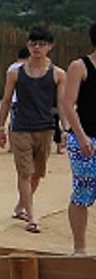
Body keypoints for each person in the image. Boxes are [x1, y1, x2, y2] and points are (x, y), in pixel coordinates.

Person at [0, 27, 63, 236]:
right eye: (33, 43)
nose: (37, 47)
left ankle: (20, 206)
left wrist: (65, 131)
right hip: (20, 127)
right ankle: (32, 216)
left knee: (37, 175)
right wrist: (0, 127)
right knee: (25, 173)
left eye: (42, 44)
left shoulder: (58, 74)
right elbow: (6, 100)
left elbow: (62, 105)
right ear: (28, 46)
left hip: (45, 128)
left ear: (50, 47)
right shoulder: (15, 73)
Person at [58, 22, 95, 256]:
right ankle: (79, 247)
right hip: (85, 137)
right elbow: (68, 104)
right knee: (82, 191)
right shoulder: (79, 66)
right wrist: (80, 136)